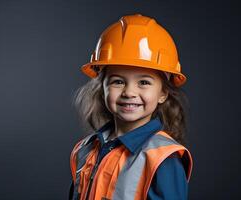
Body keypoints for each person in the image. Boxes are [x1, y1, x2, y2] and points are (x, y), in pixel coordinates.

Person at [69, 14, 193, 200]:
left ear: (163, 94)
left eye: (143, 82)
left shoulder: (162, 160)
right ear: (102, 88)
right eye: (118, 82)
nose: (129, 92)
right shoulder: (85, 149)